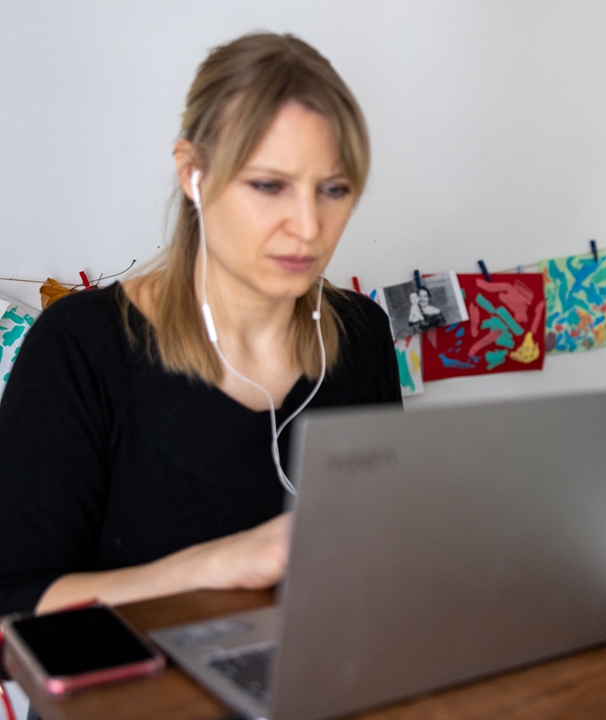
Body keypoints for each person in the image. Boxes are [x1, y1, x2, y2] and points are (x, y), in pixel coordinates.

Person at [0, 33, 400, 616]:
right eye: (269, 185)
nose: (309, 226)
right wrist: (217, 566)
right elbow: (11, 609)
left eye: (333, 190)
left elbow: (374, 557)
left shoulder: (360, 335)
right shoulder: (81, 347)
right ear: (193, 173)